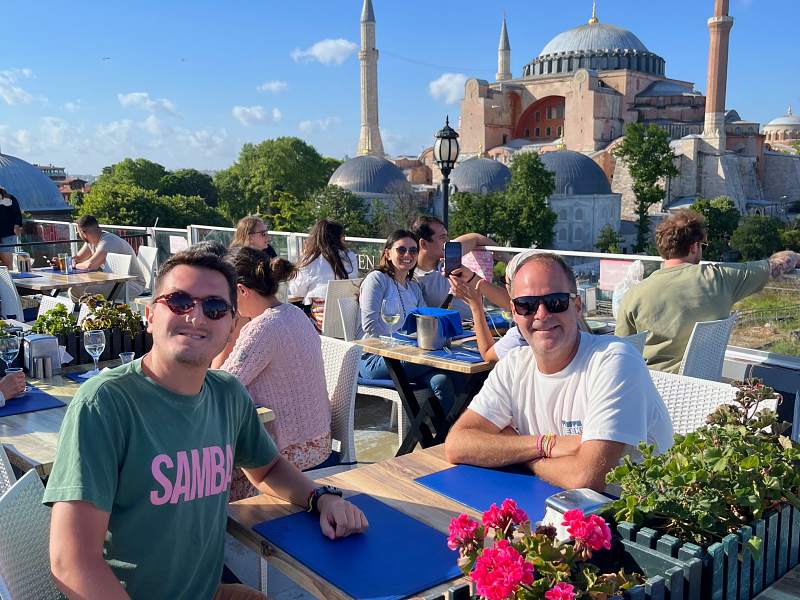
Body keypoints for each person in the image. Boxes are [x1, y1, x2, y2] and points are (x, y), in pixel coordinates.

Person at [44, 248, 367, 600]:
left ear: (232, 326)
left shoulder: (227, 393)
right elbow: (72, 563)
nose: (196, 316)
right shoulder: (105, 403)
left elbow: (268, 467)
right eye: (179, 301)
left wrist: (321, 499)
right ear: (150, 315)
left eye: (213, 308)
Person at [444, 252, 673, 492]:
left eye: (556, 302)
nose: (541, 314)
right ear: (514, 311)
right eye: (527, 305)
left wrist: (516, 450)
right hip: (551, 500)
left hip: (632, 518)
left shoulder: (614, 360)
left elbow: (586, 478)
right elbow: (457, 443)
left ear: (576, 306)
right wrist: (546, 445)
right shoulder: (513, 364)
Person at [615, 209, 800, 373]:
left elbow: (620, 354)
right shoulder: (720, 278)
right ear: (694, 246)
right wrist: (796, 256)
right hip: (703, 387)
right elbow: (777, 264)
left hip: (651, 390)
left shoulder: (633, 295)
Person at [213, 248, 331, 501]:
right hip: (319, 439)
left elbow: (218, 387)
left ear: (241, 290)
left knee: (210, 473)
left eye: (224, 293)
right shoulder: (294, 314)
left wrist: (228, 332)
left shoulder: (262, 329)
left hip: (288, 454)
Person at [358, 230, 461, 414]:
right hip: (376, 358)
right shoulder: (377, 279)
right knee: (455, 368)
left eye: (413, 251)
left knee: (443, 382)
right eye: (401, 250)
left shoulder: (413, 286)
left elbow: (425, 321)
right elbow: (370, 325)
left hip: (412, 356)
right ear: (388, 253)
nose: (408, 255)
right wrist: (404, 342)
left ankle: (439, 437)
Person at [410, 215, 494, 318]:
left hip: (481, 322)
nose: (448, 241)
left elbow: (476, 238)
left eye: (446, 236)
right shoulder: (414, 278)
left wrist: (508, 260)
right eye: (442, 237)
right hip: (453, 330)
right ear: (423, 244)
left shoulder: (449, 257)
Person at [289, 219, 359, 330]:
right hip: (349, 319)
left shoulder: (311, 260)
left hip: (321, 323)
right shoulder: (350, 257)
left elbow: (297, 291)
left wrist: (303, 257)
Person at [62, 215, 146, 302]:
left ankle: (95, 313)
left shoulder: (108, 241)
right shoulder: (93, 241)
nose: (79, 236)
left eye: (78, 233)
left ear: (83, 232)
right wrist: (64, 261)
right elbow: (78, 258)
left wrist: (73, 265)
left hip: (132, 284)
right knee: (76, 290)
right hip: (114, 282)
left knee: (78, 291)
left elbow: (90, 265)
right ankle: (96, 313)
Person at [0, 187, 23, 270]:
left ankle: (9, 281)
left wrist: (17, 225)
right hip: (7, 234)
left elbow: (17, 214)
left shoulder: (9, 199)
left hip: (7, 234)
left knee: (7, 263)